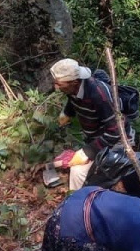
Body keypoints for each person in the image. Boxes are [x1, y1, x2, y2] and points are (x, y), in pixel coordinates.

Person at [50, 58, 127, 190]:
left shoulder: (99, 95)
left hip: (117, 143)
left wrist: (88, 152)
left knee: (78, 172)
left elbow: (116, 131)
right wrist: (67, 113)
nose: (56, 87)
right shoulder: (72, 89)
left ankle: (80, 203)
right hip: (95, 138)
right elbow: (73, 98)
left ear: (74, 82)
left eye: (59, 84)